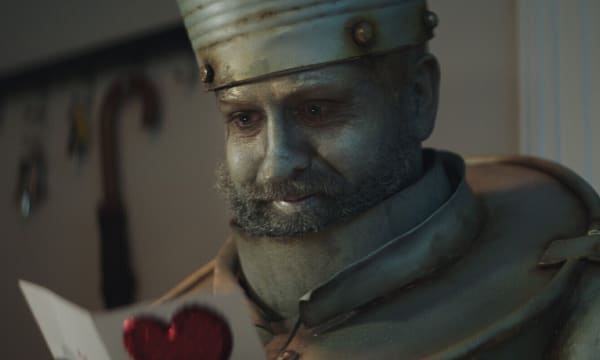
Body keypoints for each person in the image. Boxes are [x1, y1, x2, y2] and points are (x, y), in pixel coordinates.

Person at [161, 0, 600, 358]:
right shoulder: (163, 333)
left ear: (417, 98)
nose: (277, 165)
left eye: (317, 110)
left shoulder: (576, 289)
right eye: (244, 119)